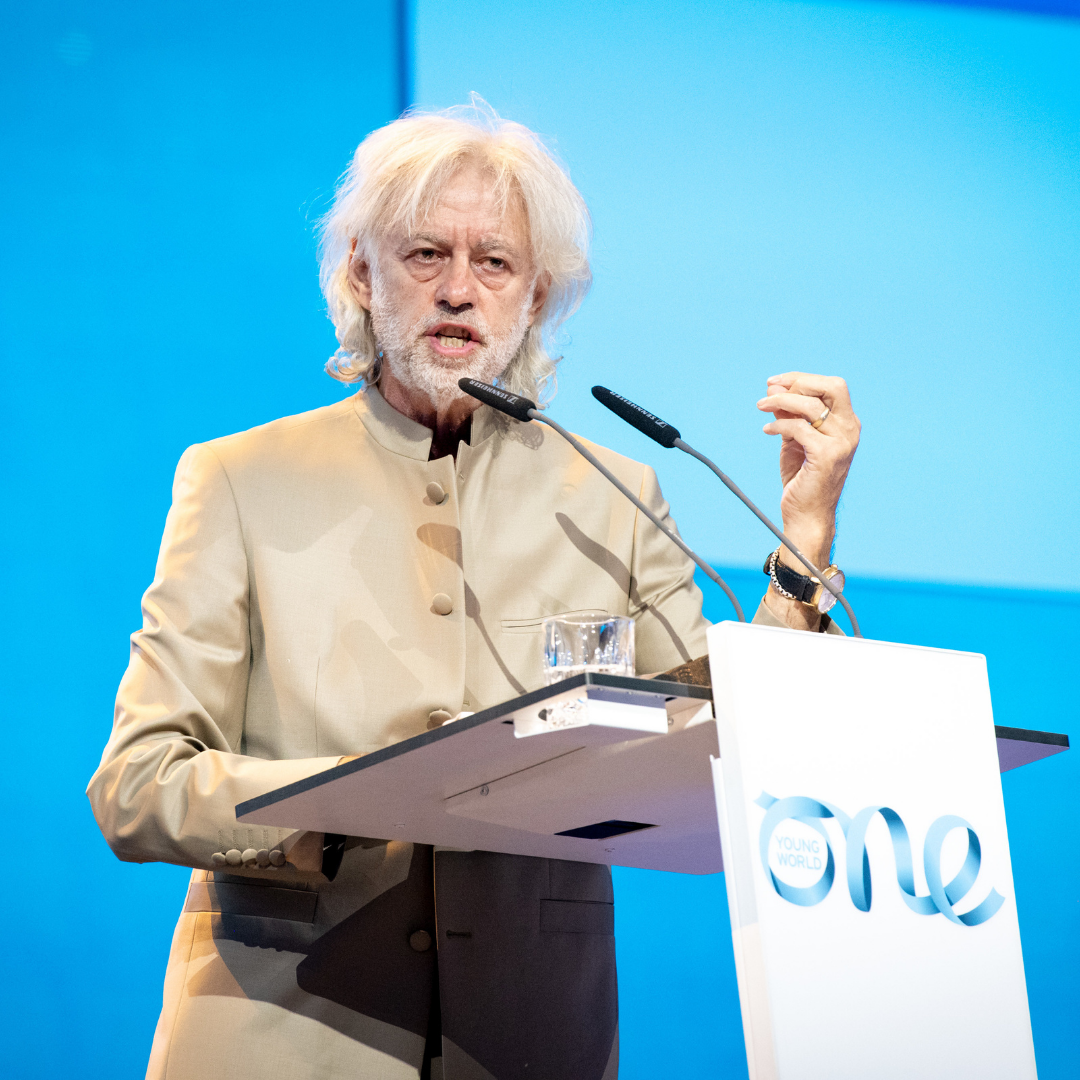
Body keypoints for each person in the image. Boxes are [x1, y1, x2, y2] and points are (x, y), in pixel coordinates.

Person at [88, 101, 860, 1080]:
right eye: (424, 256)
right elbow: (138, 785)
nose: (460, 291)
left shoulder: (615, 495)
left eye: (493, 263)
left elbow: (737, 744)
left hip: (529, 1043)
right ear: (363, 275)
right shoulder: (239, 479)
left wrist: (803, 536)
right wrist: (335, 806)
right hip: (283, 1035)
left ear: (537, 295)